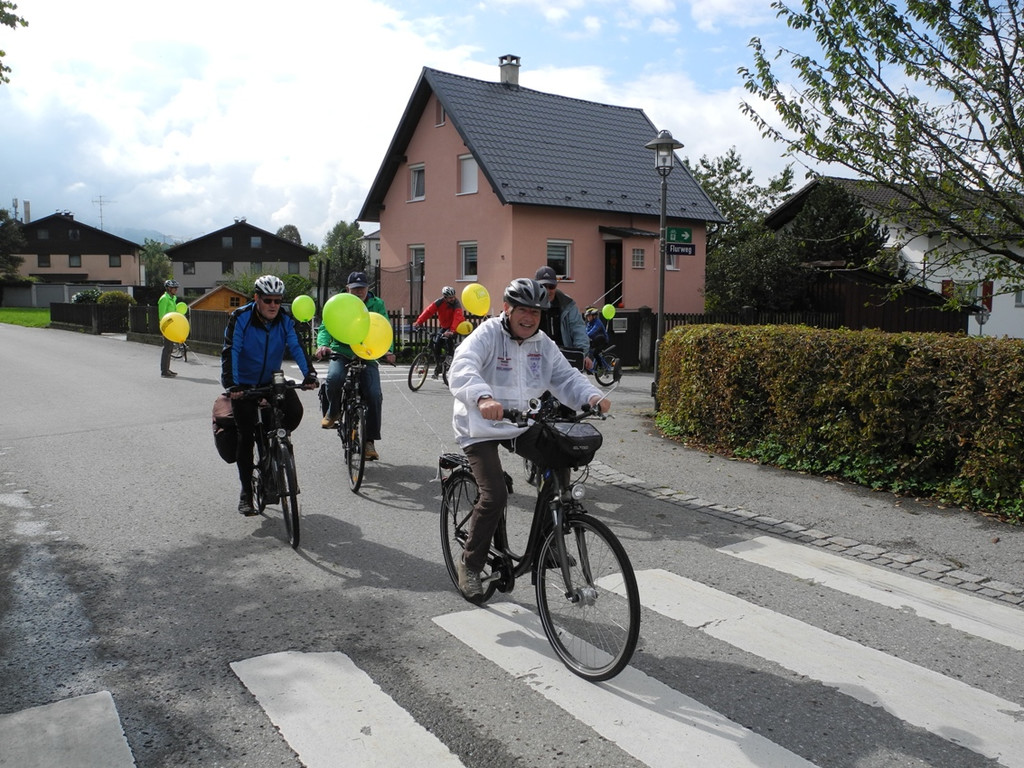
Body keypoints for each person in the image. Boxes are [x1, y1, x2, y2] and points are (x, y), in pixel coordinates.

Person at [448, 277, 611, 598]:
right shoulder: (487, 335)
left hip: (521, 423)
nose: (530, 318)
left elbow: (565, 376)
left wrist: (592, 397)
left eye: (536, 313)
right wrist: (482, 397)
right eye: (523, 310)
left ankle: (548, 544)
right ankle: (469, 563)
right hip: (479, 424)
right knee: (494, 494)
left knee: (560, 457)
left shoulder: (542, 343)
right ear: (507, 309)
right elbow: (463, 366)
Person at [222, 275, 318, 515]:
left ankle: (275, 452)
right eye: (268, 300)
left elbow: (296, 346)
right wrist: (233, 385)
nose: (273, 305)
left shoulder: (285, 320)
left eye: (277, 300)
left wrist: (310, 375)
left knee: (294, 412)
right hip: (244, 384)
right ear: (257, 298)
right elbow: (231, 349)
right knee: (246, 436)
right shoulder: (241, 318)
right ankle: (246, 491)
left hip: (271, 381)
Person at [315, 271, 396, 461]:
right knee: (334, 378)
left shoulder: (377, 304)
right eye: (355, 288)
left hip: (368, 352)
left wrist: (388, 350)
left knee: (374, 394)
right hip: (341, 350)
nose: (359, 291)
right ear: (347, 289)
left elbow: (384, 327)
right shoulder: (340, 302)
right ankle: (333, 410)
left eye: (362, 287)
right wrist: (323, 344)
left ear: (368, 288)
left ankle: (369, 441)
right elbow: (326, 327)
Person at [534, 265, 592, 371]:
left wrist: (581, 354)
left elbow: (578, 329)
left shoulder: (568, 304)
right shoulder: (530, 304)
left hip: (562, 359)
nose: (547, 290)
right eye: (543, 286)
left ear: (556, 286)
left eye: (551, 286)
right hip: (535, 359)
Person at [413, 285, 466, 378]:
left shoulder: (456, 304)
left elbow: (457, 318)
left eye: (453, 297)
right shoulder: (439, 302)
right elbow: (428, 311)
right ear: (445, 298)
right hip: (444, 327)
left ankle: (450, 358)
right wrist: (418, 322)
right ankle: (439, 366)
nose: (453, 299)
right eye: (450, 298)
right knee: (437, 344)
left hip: (455, 327)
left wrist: (452, 331)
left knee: (448, 341)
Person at [158, 279, 180, 378]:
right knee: (167, 348)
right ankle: (164, 371)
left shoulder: (173, 298)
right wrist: (164, 329)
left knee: (170, 349)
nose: (176, 290)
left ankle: (167, 369)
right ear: (168, 288)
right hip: (166, 327)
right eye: (174, 288)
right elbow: (162, 315)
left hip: (172, 327)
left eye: (176, 288)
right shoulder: (164, 299)